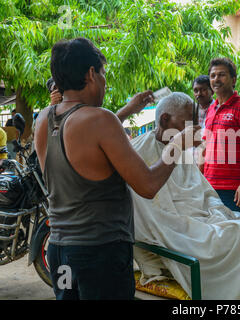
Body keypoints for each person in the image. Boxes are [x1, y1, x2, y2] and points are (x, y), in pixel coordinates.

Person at [33, 37, 200, 300]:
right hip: (100, 256)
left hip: (60, 251)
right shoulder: (101, 121)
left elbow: (85, 139)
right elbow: (147, 186)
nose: (105, 82)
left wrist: (128, 110)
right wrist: (178, 143)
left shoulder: (45, 118)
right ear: (90, 73)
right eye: (103, 74)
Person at [131, 92, 240, 300]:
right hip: (172, 230)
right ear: (165, 119)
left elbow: (201, 192)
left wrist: (214, 213)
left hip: (197, 219)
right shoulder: (138, 151)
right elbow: (149, 213)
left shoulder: (179, 150)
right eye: (187, 124)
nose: (193, 131)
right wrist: (192, 221)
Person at [202, 57, 240, 217]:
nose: (216, 79)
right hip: (209, 186)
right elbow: (206, 147)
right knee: (213, 233)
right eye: (213, 76)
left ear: (233, 80)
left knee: (235, 234)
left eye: (222, 75)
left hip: (232, 189)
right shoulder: (211, 110)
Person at [192, 75, 213, 171]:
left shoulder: (219, 110)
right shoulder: (190, 110)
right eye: (196, 90)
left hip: (210, 164)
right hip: (191, 163)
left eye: (203, 90)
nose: (199, 94)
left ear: (212, 91)